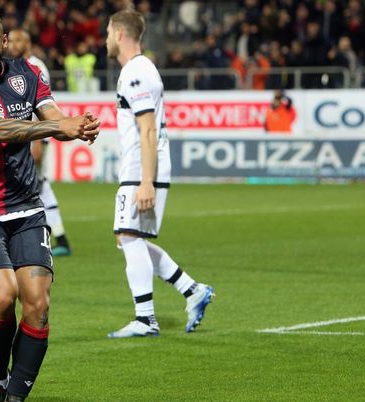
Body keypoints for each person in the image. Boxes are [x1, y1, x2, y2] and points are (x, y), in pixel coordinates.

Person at [0, 9, 99, 402]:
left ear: (3, 41)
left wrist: (73, 125)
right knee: (3, 296)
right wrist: (54, 128)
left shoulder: (27, 74)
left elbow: (53, 116)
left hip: (26, 206)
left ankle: (12, 396)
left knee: (38, 305)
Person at [105, 9, 214, 338]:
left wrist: (146, 180)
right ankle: (192, 289)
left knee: (128, 237)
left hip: (143, 166)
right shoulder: (138, 69)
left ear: (121, 34)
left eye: (109, 32)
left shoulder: (136, 72)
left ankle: (145, 318)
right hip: (142, 165)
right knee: (129, 238)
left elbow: (148, 128)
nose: (106, 38)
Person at [7, 28, 72, 257]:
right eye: (10, 40)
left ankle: (49, 238)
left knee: (38, 186)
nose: (11, 44)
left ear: (27, 42)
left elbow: (41, 105)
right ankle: (59, 237)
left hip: (36, 136)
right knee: (41, 186)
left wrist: (40, 141)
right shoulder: (17, 66)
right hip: (28, 136)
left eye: (17, 40)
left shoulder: (35, 66)